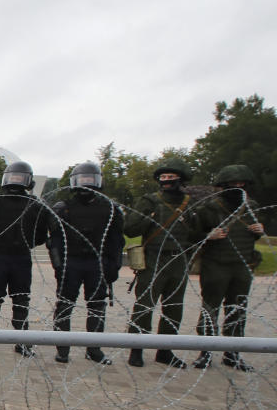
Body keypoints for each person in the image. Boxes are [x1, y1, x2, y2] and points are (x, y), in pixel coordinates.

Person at [124, 158, 201, 368]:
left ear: (181, 179)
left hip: (179, 259)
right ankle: (136, 348)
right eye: (163, 177)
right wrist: (150, 219)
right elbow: (130, 228)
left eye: (171, 177)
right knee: (145, 305)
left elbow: (198, 233)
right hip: (153, 258)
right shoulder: (149, 201)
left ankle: (165, 351)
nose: (166, 180)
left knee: (174, 308)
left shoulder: (190, 204)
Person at [48, 162, 124, 364]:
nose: (86, 185)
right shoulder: (64, 208)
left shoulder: (110, 209)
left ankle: (94, 348)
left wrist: (114, 266)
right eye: (83, 181)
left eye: (90, 180)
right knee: (65, 305)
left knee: (97, 306)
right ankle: (62, 348)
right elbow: (54, 240)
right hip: (71, 262)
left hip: (96, 263)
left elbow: (117, 241)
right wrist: (58, 264)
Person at [191, 164, 263, 371]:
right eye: (233, 184)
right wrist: (208, 235)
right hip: (216, 264)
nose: (238, 187)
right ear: (223, 185)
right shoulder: (210, 208)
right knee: (210, 308)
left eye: (242, 184)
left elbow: (255, 232)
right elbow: (193, 236)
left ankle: (232, 352)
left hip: (242, 264)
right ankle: (205, 351)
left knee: (238, 309)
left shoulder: (252, 207)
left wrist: (259, 231)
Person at [0, 160, 49, 356]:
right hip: (0, 255)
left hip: (21, 257)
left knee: (21, 300)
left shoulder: (34, 205)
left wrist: (27, 242)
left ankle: (22, 341)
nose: (15, 182)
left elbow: (42, 232)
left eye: (20, 178)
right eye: (13, 178)